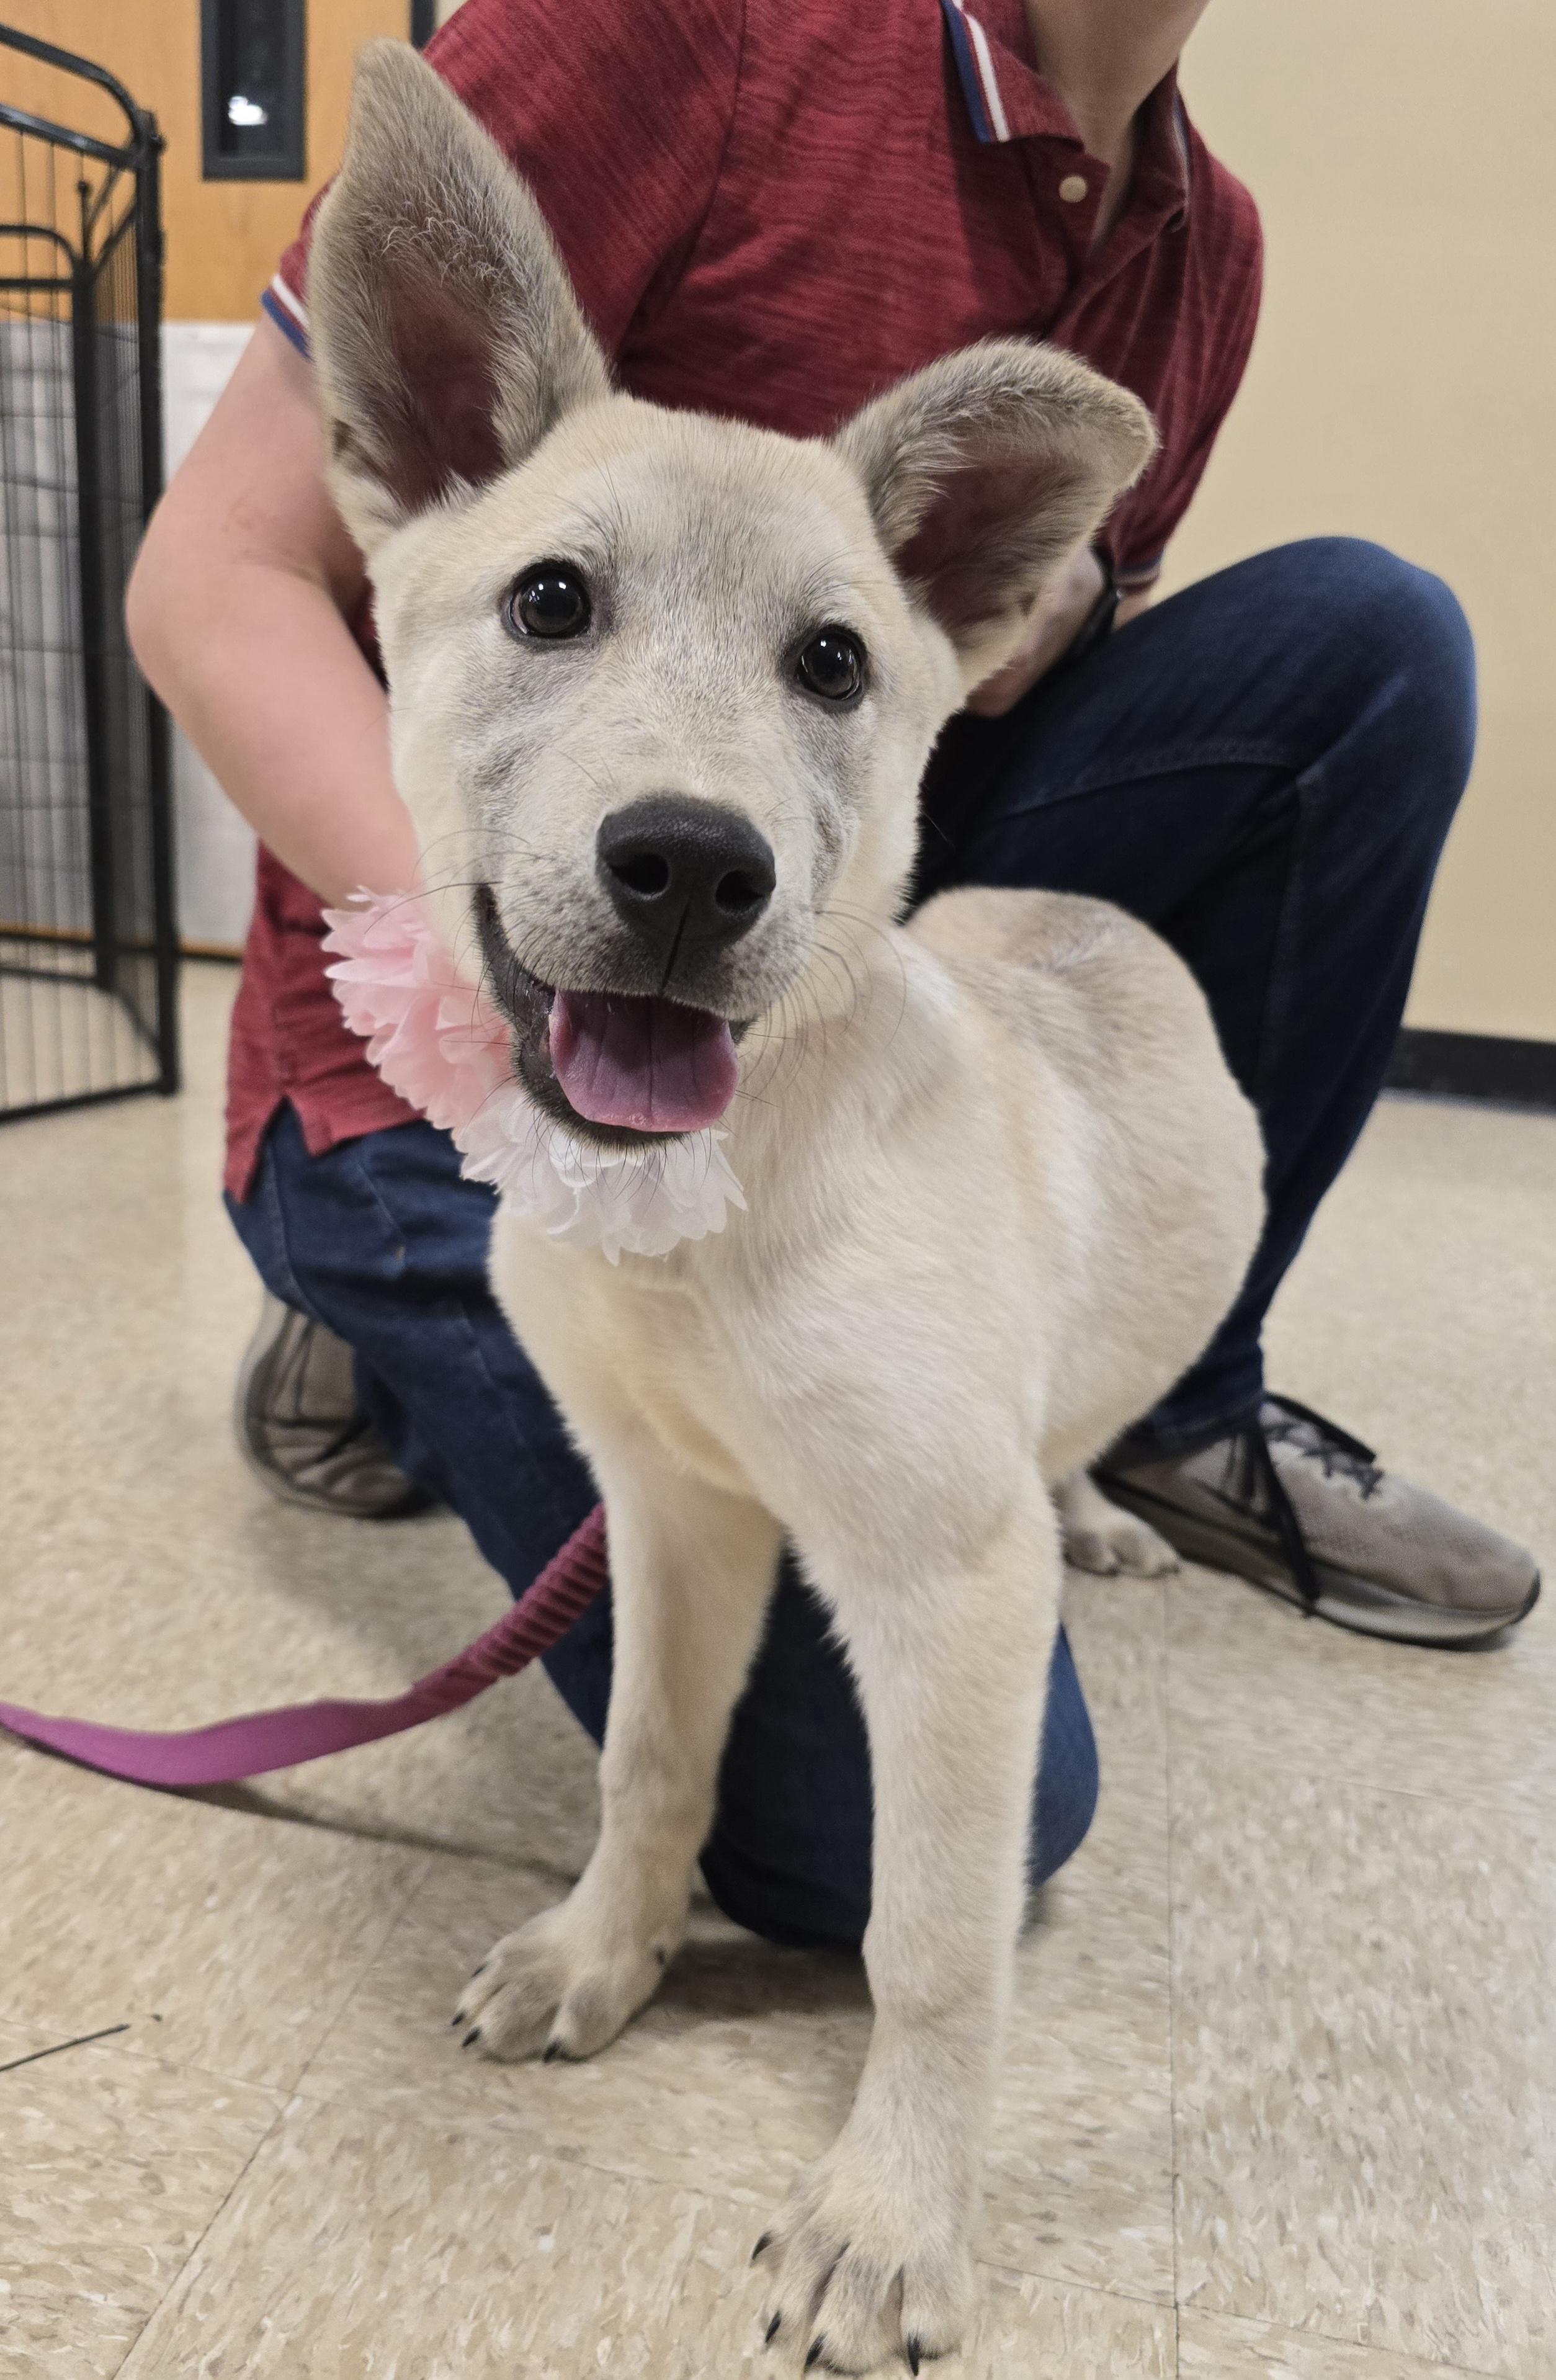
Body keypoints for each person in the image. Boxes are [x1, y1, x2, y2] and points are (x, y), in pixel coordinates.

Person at [127, 0, 1539, 1947]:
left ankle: (1160, 1395)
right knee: (854, 1837)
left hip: (786, 990)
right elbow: (211, 576)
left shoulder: (1202, 247)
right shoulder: (683, 33)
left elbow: (951, 714)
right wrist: (488, 990)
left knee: (1367, 646)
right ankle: (358, 1293)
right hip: (431, 1030)